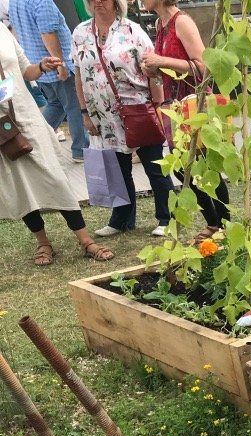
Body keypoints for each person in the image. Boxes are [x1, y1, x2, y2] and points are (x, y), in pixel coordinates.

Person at [0, 23, 113, 264]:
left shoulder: (2, 29)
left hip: (26, 117)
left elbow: (26, 71)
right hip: (1, 129)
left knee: (55, 178)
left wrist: (41, 66)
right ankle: (43, 243)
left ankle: (85, 240)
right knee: (21, 185)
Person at [72, 0, 173, 237]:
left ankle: (166, 217)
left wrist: (158, 107)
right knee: (117, 169)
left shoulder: (132, 31)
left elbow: (154, 73)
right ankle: (121, 219)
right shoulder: (81, 32)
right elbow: (78, 73)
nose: (98, 2)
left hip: (138, 109)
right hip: (104, 117)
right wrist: (85, 112)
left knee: (155, 166)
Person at [140, 0, 229, 240]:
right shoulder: (160, 23)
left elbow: (203, 67)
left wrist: (162, 62)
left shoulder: (182, 22)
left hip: (195, 104)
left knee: (205, 165)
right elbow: (169, 68)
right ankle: (214, 222)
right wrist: (153, 70)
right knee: (182, 167)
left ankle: (223, 224)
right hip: (175, 107)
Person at [8, 0, 89, 161]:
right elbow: (48, 33)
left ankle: (35, 142)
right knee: (74, 106)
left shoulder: (15, 1)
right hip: (53, 65)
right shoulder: (42, 2)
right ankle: (81, 149)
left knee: (55, 104)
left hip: (37, 65)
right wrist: (61, 64)